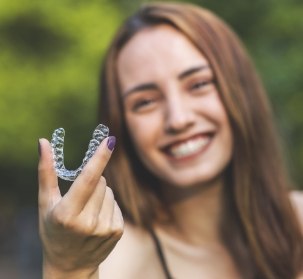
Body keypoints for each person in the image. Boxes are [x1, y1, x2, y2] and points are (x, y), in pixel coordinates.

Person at [38, 2, 303, 279]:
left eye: (198, 84)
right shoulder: (111, 263)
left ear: (241, 90)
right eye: (146, 102)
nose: (178, 119)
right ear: (122, 126)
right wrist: (68, 269)